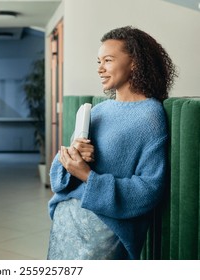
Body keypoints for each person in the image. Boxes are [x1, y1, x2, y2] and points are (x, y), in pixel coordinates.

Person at [47, 26, 177, 260]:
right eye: (99, 61)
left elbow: (149, 189)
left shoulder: (150, 116)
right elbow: (60, 177)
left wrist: (88, 176)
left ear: (134, 63)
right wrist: (71, 157)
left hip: (103, 230)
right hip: (66, 220)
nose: (100, 69)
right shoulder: (98, 111)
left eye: (108, 60)